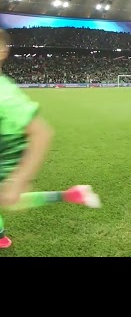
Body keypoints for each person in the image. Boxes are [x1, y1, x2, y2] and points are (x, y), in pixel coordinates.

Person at [0, 29, 101, 249]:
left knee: (7, 198)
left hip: (6, 160)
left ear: (2, 51)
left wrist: (18, 179)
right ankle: (72, 195)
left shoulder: (4, 94)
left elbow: (41, 133)